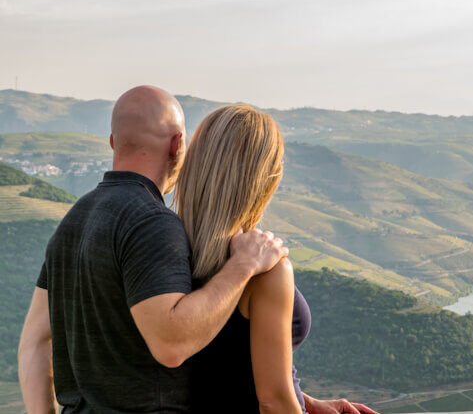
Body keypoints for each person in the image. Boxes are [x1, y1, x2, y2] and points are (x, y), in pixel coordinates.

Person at [17, 86, 288, 413]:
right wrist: (243, 265)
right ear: (177, 145)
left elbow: (34, 343)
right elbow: (171, 344)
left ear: (114, 142)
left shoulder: (73, 221)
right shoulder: (152, 223)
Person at [175, 104, 378, 414]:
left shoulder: (168, 253)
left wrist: (307, 402)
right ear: (263, 179)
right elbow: (274, 402)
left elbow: (233, 370)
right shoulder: (266, 271)